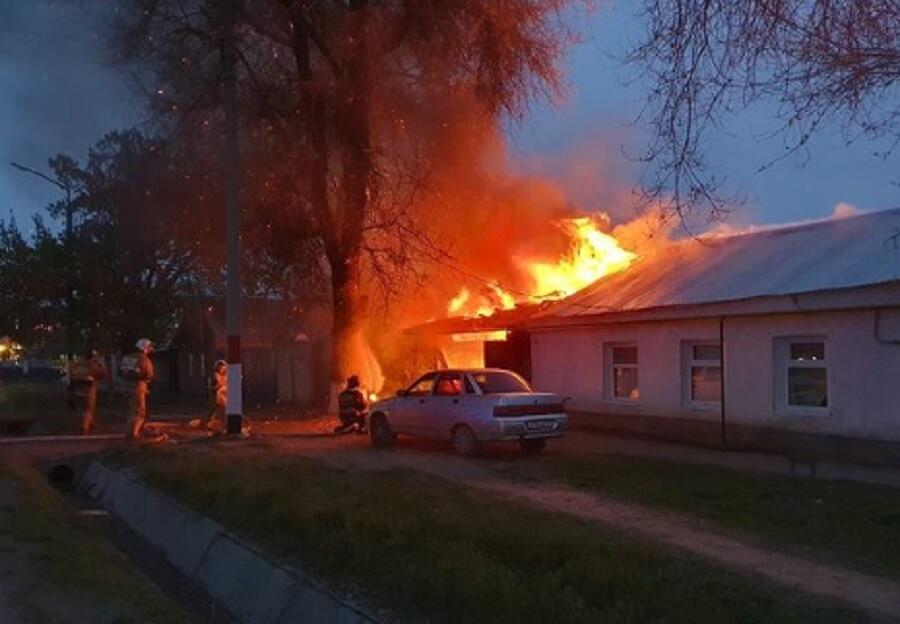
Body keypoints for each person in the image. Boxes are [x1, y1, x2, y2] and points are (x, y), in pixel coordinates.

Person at [121, 338, 155, 440]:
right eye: (149, 347)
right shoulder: (144, 359)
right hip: (138, 386)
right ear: (144, 347)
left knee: (131, 410)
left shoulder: (127, 357)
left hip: (127, 385)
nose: (150, 349)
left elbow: (122, 371)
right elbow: (149, 374)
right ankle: (134, 434)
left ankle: (129, 432)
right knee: (139, 411)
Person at [77, 349, 107, 435]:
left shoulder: (80, 364)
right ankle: (84, 426)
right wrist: (101, 364)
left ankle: (91, 423)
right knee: (89, 407)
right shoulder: (93, 364)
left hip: (79, 386)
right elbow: (102, 374)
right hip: (90, 386)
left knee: (88, 406)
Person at [205, 360, 227, 431]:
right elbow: (218, 384)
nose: (222, 369)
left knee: (219, 410)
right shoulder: (216, 374)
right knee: (215, 409)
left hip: (219, 394)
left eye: (223, 368)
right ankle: (208, 423)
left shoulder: (223, 375)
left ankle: (208, 423)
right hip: (215, 394)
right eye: (221, 368)